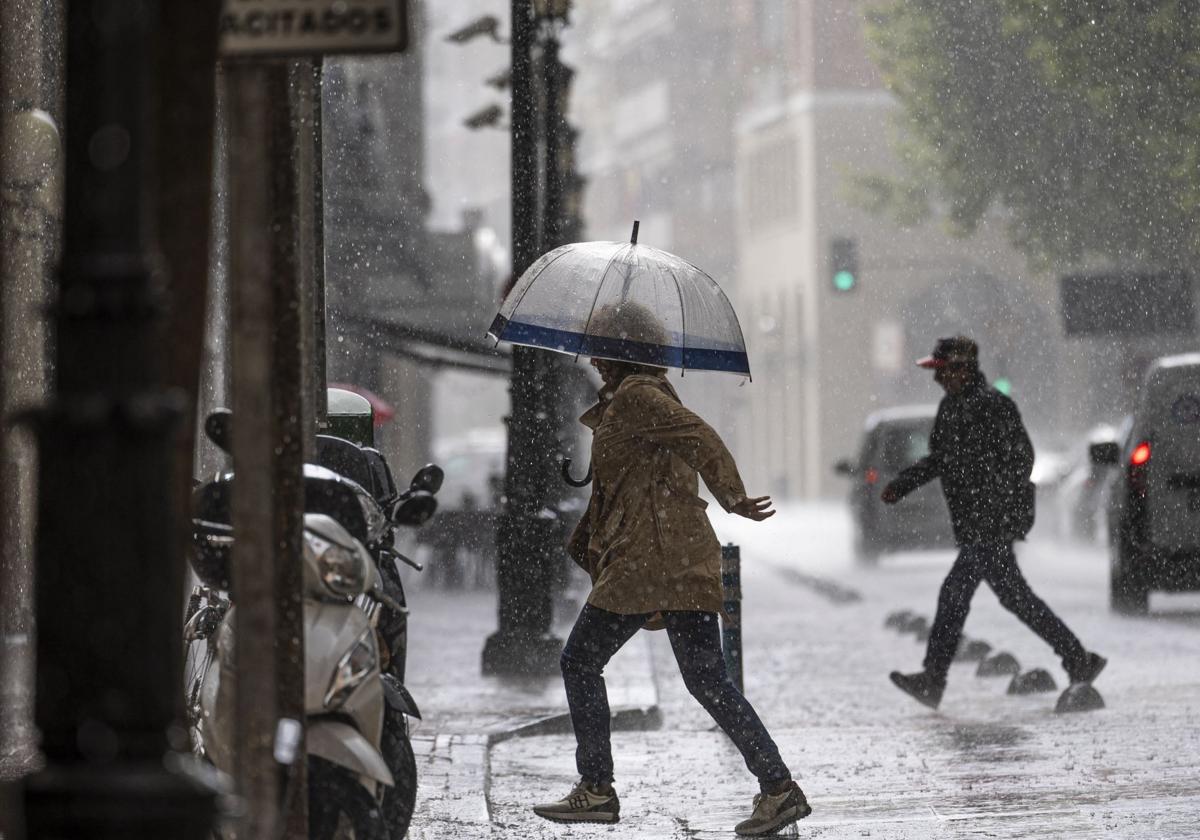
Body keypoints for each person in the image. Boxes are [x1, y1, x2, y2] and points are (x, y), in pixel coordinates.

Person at [532, 305, 809, 836]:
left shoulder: (638, 397)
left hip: (651, 562)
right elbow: (624, 488)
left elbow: (700, 438)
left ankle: (596, 789)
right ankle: (778, 788)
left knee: (580, 662)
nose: (593, 356)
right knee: (708, 680)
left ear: (624, 352)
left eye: (602, 346)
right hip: (673, 560)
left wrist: (733, 496)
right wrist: (585, 543)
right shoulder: (627, 401)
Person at [882, 336, 1107, 709]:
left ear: (963, 369)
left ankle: (934, 679)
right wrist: (902, 484)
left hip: (991, 523)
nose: (938, 380)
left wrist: (996, 502)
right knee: (1015, 598)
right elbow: (940, 459)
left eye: (942, 372)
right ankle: (1079, 659)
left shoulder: (993, 406)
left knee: (955, 595)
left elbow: (1022, 458)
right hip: (977, 522)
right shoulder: (951, 408)